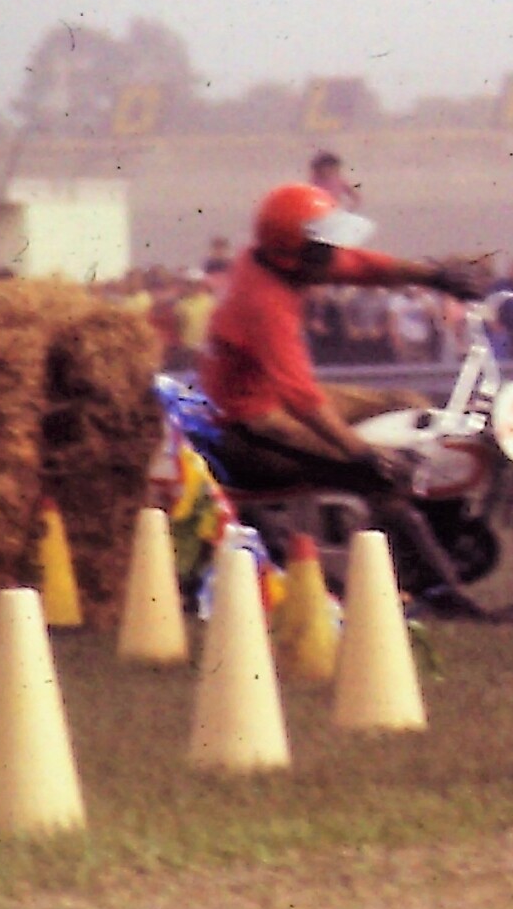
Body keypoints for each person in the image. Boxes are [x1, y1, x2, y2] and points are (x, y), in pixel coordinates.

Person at [197, 182, 489, 617]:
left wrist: (435, 276)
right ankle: (435, 589)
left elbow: (360, 264)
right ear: (296, 254)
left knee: (407, 404)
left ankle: (432, 537)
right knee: (381, 473)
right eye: (322, 246)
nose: (332, 255)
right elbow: (300, 399)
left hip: (274, 397)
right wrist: (359, 452)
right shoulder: (265, 302)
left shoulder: (282, 261)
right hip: (255, 424)